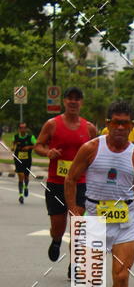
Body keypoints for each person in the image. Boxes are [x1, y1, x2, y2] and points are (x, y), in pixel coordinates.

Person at [64, 100, 134, 287]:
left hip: (124, 223)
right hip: (94, 220)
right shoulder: (91, 148)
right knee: (91, 278)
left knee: (122, 276)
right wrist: (73, 210)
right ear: (108, 124)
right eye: (116, 123)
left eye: (125, 124)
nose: (121, 128)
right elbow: (71, 178)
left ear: (132, 126)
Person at [34, 87, 97, 274]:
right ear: (64, 102)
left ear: (81, 103)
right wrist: (48, 152)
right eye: (70, 98)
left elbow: (97, 150)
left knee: (78, 225)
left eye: (77, 99)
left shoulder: (89, 128)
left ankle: (75, 264)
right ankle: (56, 240)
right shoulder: (52, 124)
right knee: (58, 225)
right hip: (56, 183)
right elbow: (38, 145)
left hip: (80, 183)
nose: (73, 102)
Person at [12, 122, 36, 203]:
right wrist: (13, 147)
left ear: (26, 129)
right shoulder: (15, 136)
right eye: (21, 128)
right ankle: (21, 195)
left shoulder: (30, 137)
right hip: (18, 159)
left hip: (27, 160)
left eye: (24, 128)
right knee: (20, 176)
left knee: (26, 176)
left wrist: (29, 147)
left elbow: (36, 145)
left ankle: (26, 187)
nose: (23, 129)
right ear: (19, 129)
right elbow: (14, 142)